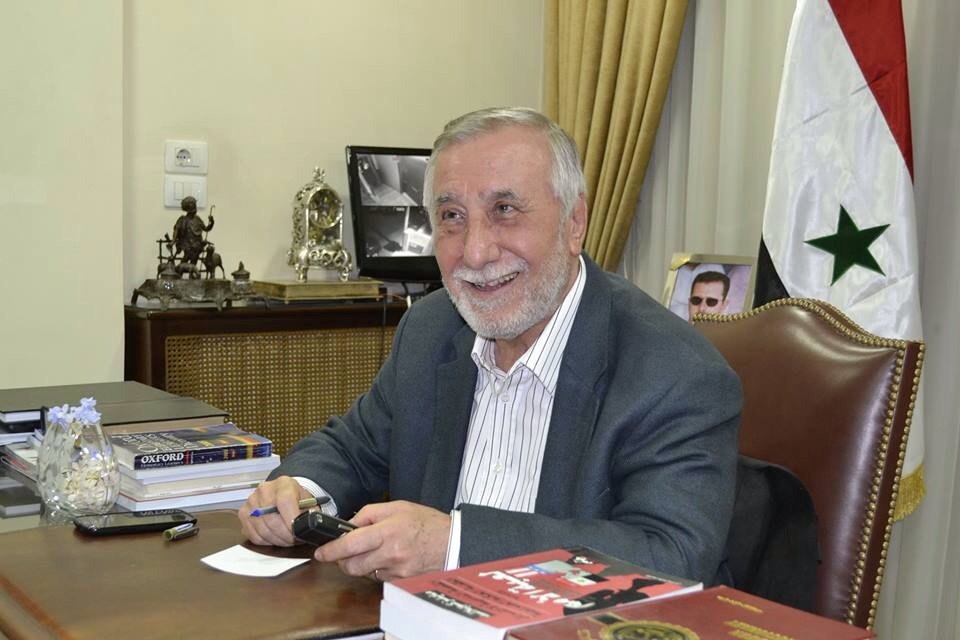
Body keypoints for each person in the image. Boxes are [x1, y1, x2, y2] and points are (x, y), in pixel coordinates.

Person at [238, 107, 742, 586]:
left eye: (505, 210)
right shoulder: (432, 328)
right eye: (452, 216)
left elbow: (673, 556)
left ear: (574, 223)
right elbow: (353, 447)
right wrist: (300, 490)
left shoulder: (674, 372)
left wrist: (454, 546)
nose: (475, 252)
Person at [171, 196, 214, 268]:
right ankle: (180, 270)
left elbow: (206, 229)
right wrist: (173, 241)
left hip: (197, 245)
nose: (195, 210)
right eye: (193, 208)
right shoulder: (182, 219)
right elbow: (176, 230)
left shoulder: (197, 219)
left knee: (194, 260)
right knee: (186, 258)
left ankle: (191, 272)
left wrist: (212, 222)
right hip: (186, 244)